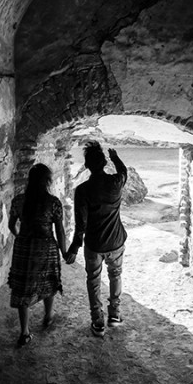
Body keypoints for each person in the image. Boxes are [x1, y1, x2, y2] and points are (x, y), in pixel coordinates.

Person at [65, 141, 127, 337]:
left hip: (94, 243)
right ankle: (114, 314)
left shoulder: (82, 190)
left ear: (87, 166)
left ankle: (97, 321)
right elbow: (123, 171)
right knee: (115, 275)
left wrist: (75, 247)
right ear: (104, 163)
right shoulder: (116, 182)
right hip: (116, 241)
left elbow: (80, 224)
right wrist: (115, 157)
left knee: (93, 280)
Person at [8, 163, 67, 346]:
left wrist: (20, 237)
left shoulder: (18, 201)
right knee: (48, 281)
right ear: (47, 181)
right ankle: (48, 316)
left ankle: (24, 332)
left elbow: (11, 225)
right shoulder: (54, 203)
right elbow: (60, 231)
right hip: (46, 247)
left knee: (23, 287)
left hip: (24, 248)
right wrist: (64, 251)